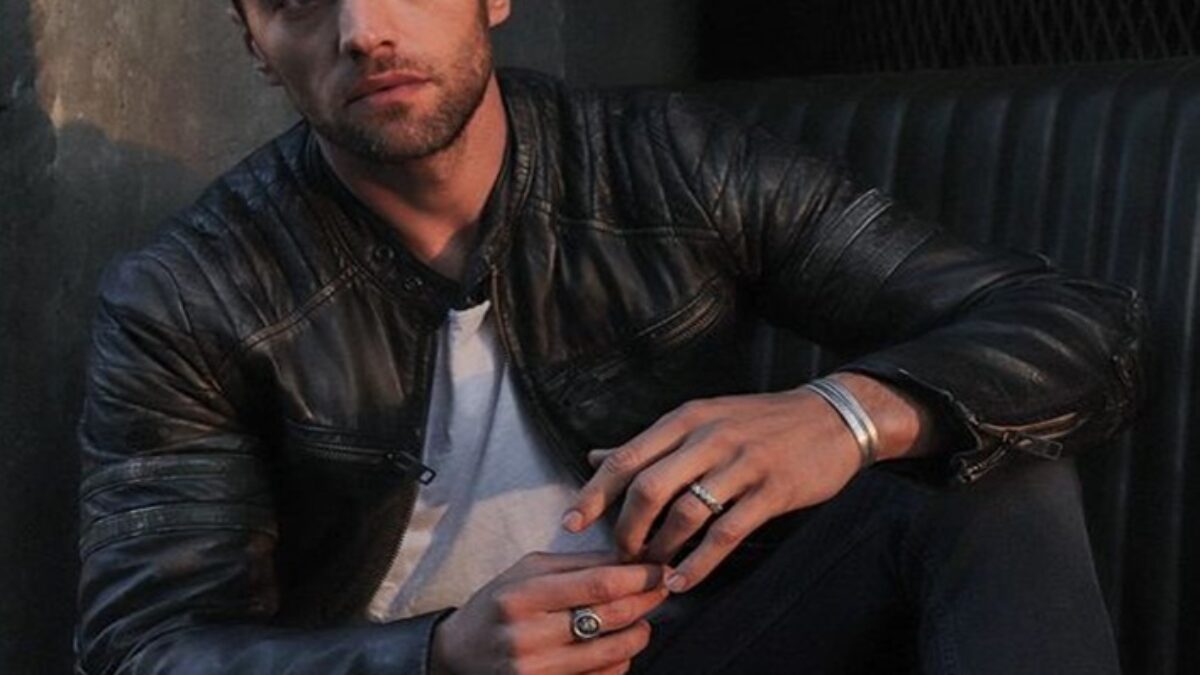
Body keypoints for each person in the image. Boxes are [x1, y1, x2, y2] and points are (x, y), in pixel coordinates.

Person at [75, 1, 1144, 673]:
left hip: (690, 639)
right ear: (256, 45)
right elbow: (144, 649)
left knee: (992, 473)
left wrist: (844, 416)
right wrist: (435, 655)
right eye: (299, 2)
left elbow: (1079, 325)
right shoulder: (189, 292)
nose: (363, 30)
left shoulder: (664, 162)